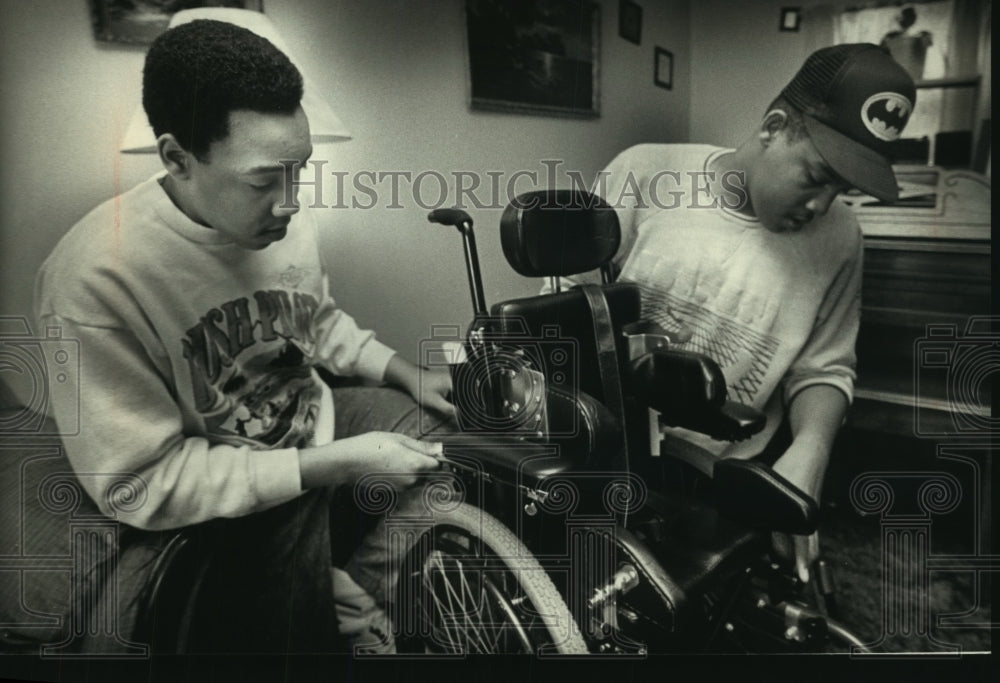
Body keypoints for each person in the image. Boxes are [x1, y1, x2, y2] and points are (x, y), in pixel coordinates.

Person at [33, 19, 453, 654]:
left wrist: (408, 374)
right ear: (177, 158)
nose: (290, 202)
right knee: (284, 631)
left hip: (314, 427)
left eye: (300, 172)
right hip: (225, 482)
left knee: (450, 441)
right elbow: (139, 484)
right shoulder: (91, 281)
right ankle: (328, 611)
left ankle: (360, 598)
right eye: (263, 182)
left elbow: (316, 321)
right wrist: (332, 466)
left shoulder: (284, 221)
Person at [571, 43, 915, 580]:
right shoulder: (645, 171)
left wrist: (811, 450)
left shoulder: (842, 238)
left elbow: (824, 368)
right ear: (774, 127)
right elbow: (572, 305)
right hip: (609, 453)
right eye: (818, 177)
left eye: (842, 190)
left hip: (725, 471)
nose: (823, 206)